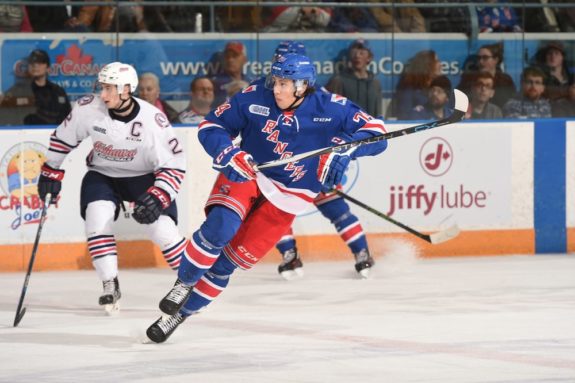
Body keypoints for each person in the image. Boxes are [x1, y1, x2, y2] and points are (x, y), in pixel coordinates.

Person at [145, 53, 388, 343]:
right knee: (220, 227)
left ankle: (178, 316)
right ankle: (183, 283)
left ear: (303, 86)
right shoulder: (254, 95)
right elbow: (211, 126)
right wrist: (228, 152)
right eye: (276, 82)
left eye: (285, 84)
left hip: (291, 198)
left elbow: (377, 132)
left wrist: (348, 149)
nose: (277, 89)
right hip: (249, 173)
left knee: (226, 264)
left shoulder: (330, 107)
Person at [37, 62, 188, 313]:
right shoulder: (88, 108)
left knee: (162, 230)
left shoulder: (153, 121)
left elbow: (174, 165)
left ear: (127, 89)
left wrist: (160, 195)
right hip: (103, 174)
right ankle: (110, 284)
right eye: (102, 87)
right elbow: (63, 138)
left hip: (143, 177)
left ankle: (192, 282)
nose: (103, 95)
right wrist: (51, 170)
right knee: (97, 220)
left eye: (110, 89)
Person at [1, 49, 71, 125]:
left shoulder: (58, 92)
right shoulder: (16, 92)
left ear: (48, 68)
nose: (35, 65)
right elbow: (5, 121)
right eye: (32, 62)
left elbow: (68, 120)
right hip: (24, 135)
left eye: (40, 62)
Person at [325, 39, 382, 117]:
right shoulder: (338, 81)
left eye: (361, 52)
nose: (357, 56)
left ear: (369, 58)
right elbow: (331, 111)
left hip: (370, 127)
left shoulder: (375, 83)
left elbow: (378, 112)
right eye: (354, 52)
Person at [457, 42, 516, 109]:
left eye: (485, 58)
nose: (481, 61)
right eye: (479, 58)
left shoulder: (505, 80)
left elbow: (511, 102)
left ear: (496, 60)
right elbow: (458, 99)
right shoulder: (468, 79)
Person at [387, 50, 442, 120]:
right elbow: (404, 117)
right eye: (437, 61)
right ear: (427, 64)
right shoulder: (408, 89)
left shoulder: (438, 88)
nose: (440, 64)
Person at [212, 41, 254, 106]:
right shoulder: (214, 82)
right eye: (227, 56)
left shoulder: (251, 81)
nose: (230, 60)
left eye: (235, 56)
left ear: (245, 59)